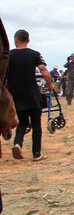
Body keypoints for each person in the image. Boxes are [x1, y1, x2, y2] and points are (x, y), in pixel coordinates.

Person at [6, 29, 54, 161]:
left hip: (15, 95)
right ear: (28, 40)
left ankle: (17, 144)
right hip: (32, 93)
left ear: (15, 40)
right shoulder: (34, 54)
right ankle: (36, 153)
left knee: (22, 122)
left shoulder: (8, 55)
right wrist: (50, 85)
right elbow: (44, 71)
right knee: (36, 123)